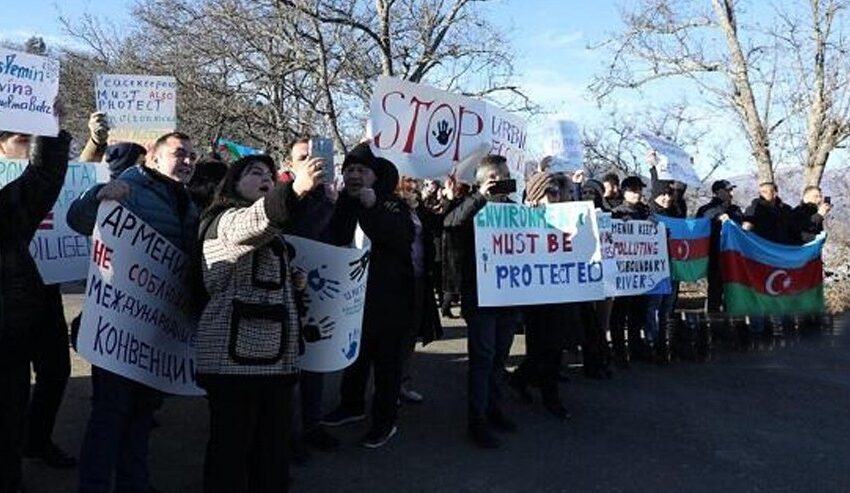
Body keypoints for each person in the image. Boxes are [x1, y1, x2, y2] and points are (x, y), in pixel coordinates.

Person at [69, 132, 200, 493]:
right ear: (153, 159)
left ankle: (134, 483)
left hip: (156, 328)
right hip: (119, 325)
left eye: (192, 155)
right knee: (110, 414)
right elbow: (78, 218)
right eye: (179, 154)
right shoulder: (129, 185)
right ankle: (93, 485)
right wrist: (98, 197)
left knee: (142, 414)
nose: (187, 161)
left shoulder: (187, 203)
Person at [196, 154, 320, 492]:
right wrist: (294, 189)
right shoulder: (225, 220)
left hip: (272, 364)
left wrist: (290, 281)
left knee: (271, 454)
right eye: (254, 173)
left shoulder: (273, 233)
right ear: (233, 184)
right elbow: (253, 223)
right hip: (234, 366)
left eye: (269, 173)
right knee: (231, 456)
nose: (265, 177)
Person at [322, 143, 442, 449]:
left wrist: (372, 206)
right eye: (349, 170)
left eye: (362, 170)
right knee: (356, 359)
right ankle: (351, 406)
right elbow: (333, 240)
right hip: (353, 302)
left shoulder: (393, 205)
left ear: (375, 177)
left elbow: (398, 238)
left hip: (391, 303)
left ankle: (384, 422)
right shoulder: (342, 204)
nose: (354, 175)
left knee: (387, 366)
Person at [0, 128, 71, 493]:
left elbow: (43, 178)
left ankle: (31, 447)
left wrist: (51, 128)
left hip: (16, 318)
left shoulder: (8, 204)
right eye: (20, 138)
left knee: (12, 415)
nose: (25, 145)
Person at [443, 155, 520, 449]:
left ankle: (494, 410)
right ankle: (477, 421)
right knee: (483, 359)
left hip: (510, 297)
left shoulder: (515, 211)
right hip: (481, 297)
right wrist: (479, 197)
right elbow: (450, 224)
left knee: (500, 358)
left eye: (507, 174)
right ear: (485, 180)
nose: (505, 180)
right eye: (498, 176)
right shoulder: (472, 207)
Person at [509, 171, 573, 419]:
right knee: (541, 347)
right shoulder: (524, 219)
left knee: (554, 347)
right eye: (551, 193)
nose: (556, 198)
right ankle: (550, 397)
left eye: (559, 193)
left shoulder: (568, 219)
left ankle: (521, 380)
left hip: (560, 291)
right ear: (537, 195)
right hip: (536, 294)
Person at [610, 176, 651, 367]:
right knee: (620, 313)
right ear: (623, 192)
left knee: (638, 312)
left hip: (642, 270)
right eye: (633, 190)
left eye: (639, 190)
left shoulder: (645, 212)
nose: (637, 193)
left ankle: (636, 347)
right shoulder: (616, 213)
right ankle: (619, 351)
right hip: (623, 271)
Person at [696, 179, 744, 312]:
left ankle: (732, 324)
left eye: (731, 190)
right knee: (715, 292)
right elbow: (699, 231)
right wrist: (716, 219)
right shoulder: (706, 210)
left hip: (734, 257)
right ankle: (713, 324)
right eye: (728, 190)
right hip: (715, 256)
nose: (731, 193)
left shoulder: (736, 210)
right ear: (718, 192)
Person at [646, 183, 677, 364]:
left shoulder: (675, 213)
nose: (667, 198)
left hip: (672, 267)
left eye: (669, 194)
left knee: (666, 309)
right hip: (655, 270)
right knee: (653, 308)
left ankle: (664, 345)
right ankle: (653, 342)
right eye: (662, 194)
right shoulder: (649, 215)